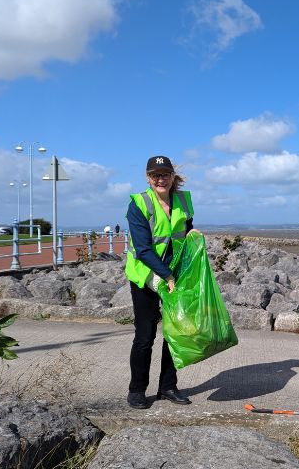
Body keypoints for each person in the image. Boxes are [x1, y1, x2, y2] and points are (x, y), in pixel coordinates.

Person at [124, 155, 195, 409]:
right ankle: (136, 390)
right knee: (145, 335)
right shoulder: (139, 204)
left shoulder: (184, 201)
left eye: (165, 174)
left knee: (174, 334)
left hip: (176, 275)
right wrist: (167, 276)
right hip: (146, 276)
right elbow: (143, 249)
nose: (160, 179)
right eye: (155, 175)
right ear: (148, 178)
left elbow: (186, 234)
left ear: (172, 177)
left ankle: (167, 387)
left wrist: (193, 236)